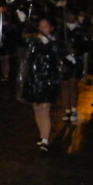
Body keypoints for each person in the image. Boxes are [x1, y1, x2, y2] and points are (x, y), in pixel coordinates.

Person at [21, 17, 64, 152]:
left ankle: (45, 139)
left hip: (49, 79)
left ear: (51, 28)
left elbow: (61, 57)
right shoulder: (33, 42)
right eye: (40, 26)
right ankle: (42, 135)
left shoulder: (55, 42)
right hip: (34, 79)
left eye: (46, 26)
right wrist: (23, 22)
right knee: (37, 108)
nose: (43, 29)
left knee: (45, 108)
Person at [59, 12, 87, 123]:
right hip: (64, 60)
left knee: (73, 84)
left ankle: (74, 108)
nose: (70, 17)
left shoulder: (80, 29)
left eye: (71, 15)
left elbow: (85, 44)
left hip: (76, 60)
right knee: (64, 85)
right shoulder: (61, 29)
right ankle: (67, 110)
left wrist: (77, 50)